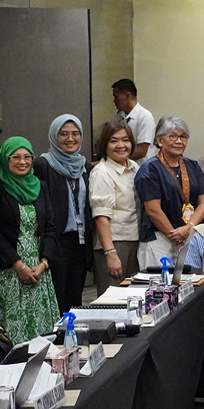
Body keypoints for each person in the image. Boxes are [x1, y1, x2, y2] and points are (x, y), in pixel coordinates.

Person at [0, 137, 60, 344]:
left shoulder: (40, 186)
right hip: (7, 270)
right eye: (16, 157)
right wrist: (18, 265)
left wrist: (44, 262)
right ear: (5, 159)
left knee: (41, 338)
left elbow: (50, 227)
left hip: (38, 271)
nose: (22, 162)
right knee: (8, 337)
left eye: (27, 157)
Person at [33, 114, 93, 312]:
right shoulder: (43, 165)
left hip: (80, 242)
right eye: (64, 134)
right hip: (55, 243)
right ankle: (57, 340)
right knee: (56, 299)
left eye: (76, 133)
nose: (70, 139)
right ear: (54, 136)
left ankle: (72, 339)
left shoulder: (85, 166)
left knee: (76, 299)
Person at [134, 115, 204, 267]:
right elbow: (153, 210)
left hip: (190, 235)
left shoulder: (193, 166)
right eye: (172, 136)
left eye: (183, 137)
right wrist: (175, 236)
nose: (179, 141)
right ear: (160, 140)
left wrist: (189, 227)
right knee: (161, 287)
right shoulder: (149, 169)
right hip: (159, 238)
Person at [89, 120, 141, 295]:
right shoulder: (101, 172)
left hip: (134, 239)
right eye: (113, 141)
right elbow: (101, 216)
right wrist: (110, 253)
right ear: (105, 144)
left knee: (133, 299)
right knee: (112, 300)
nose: (121, 145)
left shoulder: (134, 167)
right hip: (113, 243)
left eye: (125, 140)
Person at [111, 78, 155, 163]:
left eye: (116, 97)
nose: (114, 101)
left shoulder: (145, 116)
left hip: (141, 170)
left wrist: (115, 160)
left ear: (128, 96)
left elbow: (141, 151)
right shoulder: (119, 116)